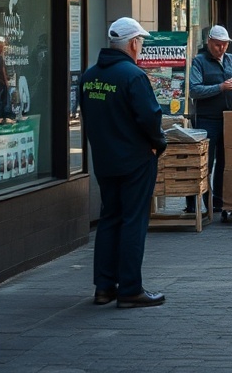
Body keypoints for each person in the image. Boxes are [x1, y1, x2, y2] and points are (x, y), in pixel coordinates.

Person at [79, 17, 167, 309]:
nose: (140, 47)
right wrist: (158, 143)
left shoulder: (89, 76)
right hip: (135, 160)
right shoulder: (133, 76)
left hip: (104, 160)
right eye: (140, 42)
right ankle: (130, 288)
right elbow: (150, 117)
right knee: (133, 221)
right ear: (132, 43)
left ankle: (104, 287)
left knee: (109, 219)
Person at [189, 25, 232, 211]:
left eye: (224, 45)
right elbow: (195, 90)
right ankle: (199, 203)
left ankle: (219, 202)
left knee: (225, 162)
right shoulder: (199, 61)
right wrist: (220, 87)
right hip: (207, 119)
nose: (221, 48)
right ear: (209, 42)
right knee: (204, 162)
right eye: (217, 45)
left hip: (230, 118)